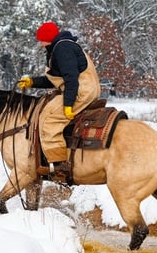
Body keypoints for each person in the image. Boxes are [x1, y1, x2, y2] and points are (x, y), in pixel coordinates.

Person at [17, 21, 101, 180]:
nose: (40, 44)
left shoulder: (62, 49)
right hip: (81, 89)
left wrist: (68, 105)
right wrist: (32, 82)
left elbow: (71, 79)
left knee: (49, 120)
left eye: (41, 40)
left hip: (80, 92)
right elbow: (57, 79)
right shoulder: (61, 47)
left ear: (48, 38)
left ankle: (60, 166)